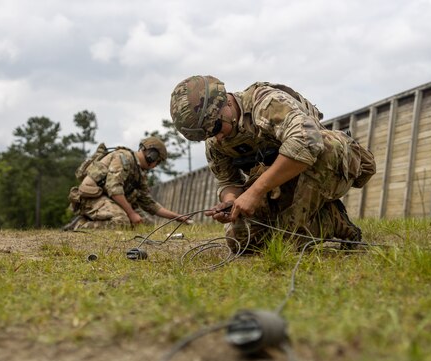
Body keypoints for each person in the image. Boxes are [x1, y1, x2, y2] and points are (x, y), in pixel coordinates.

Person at [169, 75, 376, 250]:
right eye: (206, 135)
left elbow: (307, 142)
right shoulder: (215, 141)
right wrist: (231, 201)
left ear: (226, 103)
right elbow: (226, 180)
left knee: (288, 242)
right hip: (279, 182)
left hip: (327, 165)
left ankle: (332, 223)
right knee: (240, 240)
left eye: (214, 128)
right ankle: (324, 219)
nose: (217, 138)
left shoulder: (267, 103)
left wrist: (255, 191)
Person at [64, 136, 190, 230]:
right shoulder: (124, 158)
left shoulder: (139, 172)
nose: (156, 166)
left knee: (147, 226)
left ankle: (91, 220)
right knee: (121, 221)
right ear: (152, 156)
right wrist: (131, 213)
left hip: (106, 199)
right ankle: (80, 225)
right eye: (158, 161)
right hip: (90, 198)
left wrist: (177, 216)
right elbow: (114, 189)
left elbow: (150, 204)